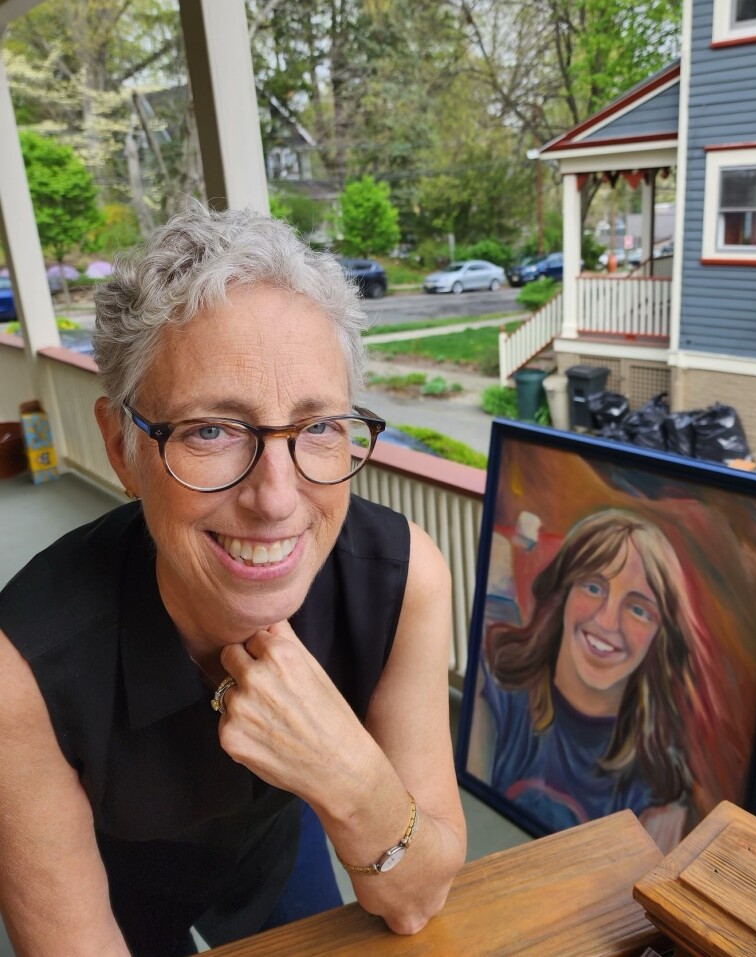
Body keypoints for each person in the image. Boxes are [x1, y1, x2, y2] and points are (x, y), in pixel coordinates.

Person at [0, 205, 466, 957]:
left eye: (317, 426)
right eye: (211, 429)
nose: (277, 499)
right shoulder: (21, 669)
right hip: (116, 873)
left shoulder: (402, 579)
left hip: (275, 842)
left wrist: (351, 779)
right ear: (121, 448)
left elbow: (421, 896)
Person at [469, 509, 707, 852]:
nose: (607, 621)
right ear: (564, 590)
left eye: (639, 609)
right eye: (593, 587)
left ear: (660, 636)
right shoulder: (497, 693)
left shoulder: (658, 787)